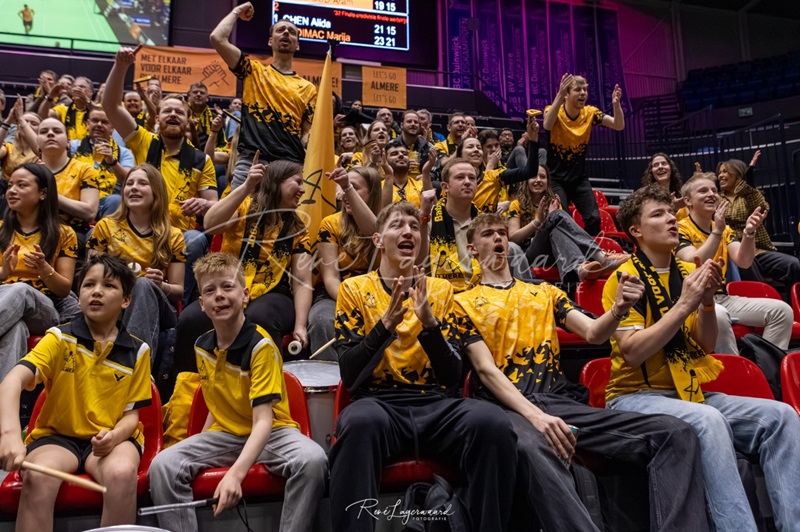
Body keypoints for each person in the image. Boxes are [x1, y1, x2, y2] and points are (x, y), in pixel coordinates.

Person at [454, 213, 709, 531]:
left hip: (558, 402)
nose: (498, 238)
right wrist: (536, 417)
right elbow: (485, 369)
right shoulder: (462, 303)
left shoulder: (545, 293)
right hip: (507, 408)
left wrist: (618, 309)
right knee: (533, 447)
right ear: (472, 248)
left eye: (502, 233)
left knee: (676, 433)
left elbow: (593, 333)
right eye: (488, 234)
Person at [604, 184, 800, 531]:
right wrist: (685, 304)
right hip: (634, 396)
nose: (671, 219)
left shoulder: (685, 272)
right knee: (709, 419)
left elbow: (706, 346)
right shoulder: (623, 279)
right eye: (658, 214)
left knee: (781, 416)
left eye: (671, 212)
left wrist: (708, 302)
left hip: (689, 393)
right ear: (636, 231)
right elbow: (632, 352)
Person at [329, 201, 517, 532]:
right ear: (378, 240)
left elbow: (452, 376)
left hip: (437, 404)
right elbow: (350, 374)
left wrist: (430, 327)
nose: (408, 232)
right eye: (397, 225)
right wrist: (385, 326)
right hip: (379, 404)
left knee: (492, 422)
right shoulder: (353, 289)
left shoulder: (441, 290)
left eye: (414, 227)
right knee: (358, 423)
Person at [148, 252, 326, 531]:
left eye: (227, 286)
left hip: (271, 433)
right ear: (202, 304)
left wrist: (235, 475)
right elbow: (216, 403)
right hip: (226, 434)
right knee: (163, 466)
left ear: (245, 295)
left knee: (313, 460)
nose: (219, 295)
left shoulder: (261, 347)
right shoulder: (201, 346)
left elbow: (263, 421)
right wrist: (198, 449)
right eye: (210, 290)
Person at [0, 254, 151, 530]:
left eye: (109, 286)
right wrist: (9, 435)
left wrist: (114, 436)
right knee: (38, 477)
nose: (96, 291)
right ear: (78, 296)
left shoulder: (139, 351)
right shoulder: (58, 338)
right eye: (89, 285)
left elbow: (132, 415)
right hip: (57, 438)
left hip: (111, 440)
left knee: (121, 474)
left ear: (126, 300)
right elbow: (11, 382)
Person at [172, 157, 313, 378]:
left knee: (260, 317)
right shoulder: (244, 207)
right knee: (191, 319)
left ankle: (265, 387)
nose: (303, 190)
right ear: (277, 181)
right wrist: (247, 185)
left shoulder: (298, 228)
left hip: (272, 292)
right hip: (228, 285)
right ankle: (187, 390)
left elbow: (302, 280)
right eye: (297, 182)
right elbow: (210, 224)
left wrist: (301, 326)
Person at [103, 45, 218, 306]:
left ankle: (182, 308)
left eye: (179, 112)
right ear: (157, 117)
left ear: (189, 120)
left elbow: (214, 206)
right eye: (167, 111)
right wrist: (121, 66)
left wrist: (204, 204)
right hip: (139, 228)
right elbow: (110, 106)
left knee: (196, 239)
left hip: (178, 235)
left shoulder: (202, 160)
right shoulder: (144, 141)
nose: (173, 115)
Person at [675, 172, 792, 354]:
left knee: (782, 311)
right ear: (688, 201)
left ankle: (768, 366)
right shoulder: (679, 228)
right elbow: (694, 259)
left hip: (722, 297)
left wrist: (749, 233)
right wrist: (717, 231)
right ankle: (734, 369)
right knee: (718, 314)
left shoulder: (724, 228)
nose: (711, 194)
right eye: (703, 191)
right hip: (691, 301)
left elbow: (744, 261)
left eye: (714, 190)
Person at [210, 4, 317, 188]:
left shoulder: (308, 88)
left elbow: (307, 132)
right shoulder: (253, 71)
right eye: (280, 30)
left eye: (292, 32)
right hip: (251, 163)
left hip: (288, 167)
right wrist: (237, 11)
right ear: (270, 41)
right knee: (240, 208)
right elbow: (217, 38)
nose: (286, 33)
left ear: (297, 44)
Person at [88, 163, 185, 353]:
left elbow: (178, 291)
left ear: (156, 191)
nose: (133, 188)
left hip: (158, 306)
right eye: (129, 183)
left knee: (143, 285)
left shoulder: (173, 236)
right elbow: (91, 278)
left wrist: (161, 285)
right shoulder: (105, 227)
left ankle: (132, 361)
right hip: (114, 300)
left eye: (142, 183)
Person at [0, 163, 81, 379]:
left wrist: (45, 269)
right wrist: (3, 272)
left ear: (43, 193)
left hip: (43, 308)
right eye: (10, 185)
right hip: (5, 304)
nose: (12, 191)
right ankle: (6, 398)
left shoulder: (64, 233)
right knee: (16, 330)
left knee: (20, 289)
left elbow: (64, 289)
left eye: (21, 185)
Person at [508, 163, 629, 283]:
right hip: (530, 255)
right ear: (526, 181)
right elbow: (513, 238)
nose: (538, 180)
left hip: (554, 254)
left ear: (548, 182)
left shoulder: (553, 204)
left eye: (543, 177)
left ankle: (580, 267)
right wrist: (538, 221)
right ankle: (600, 256)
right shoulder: (516, 205)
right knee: (556, 215)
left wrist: (550, 217)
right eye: (533, 176)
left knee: (556, 231)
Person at [308, 166, 381, 358]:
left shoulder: (387, 223)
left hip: (379, 295)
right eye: (343, 188)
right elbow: (330, 277)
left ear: (372, 193)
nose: (344, 194)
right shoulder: (330, 224)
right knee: (321, 320)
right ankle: (331, 376)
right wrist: (353, 303)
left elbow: (375, 231)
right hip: (336, 295)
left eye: (353, 187)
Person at [543, 74, 625, 236]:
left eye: (585, 90)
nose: (583, 93)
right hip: (556, 179)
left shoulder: (590, 113)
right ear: (566, 94)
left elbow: (618, 125)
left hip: (578, 179)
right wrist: (559, 95)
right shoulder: (553, 110)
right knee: (563, 219)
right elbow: (547, 124)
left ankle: (586, 248)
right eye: (578, 90)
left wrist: (616, 105)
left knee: (594, 218)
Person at [718, 158, 800, 296]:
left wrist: (748, 178)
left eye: (725, 171)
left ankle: (794, 304)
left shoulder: (750, 195)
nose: (720, 175)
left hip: (758, 250)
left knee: (794, 265)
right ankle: (766, 302)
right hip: (734, 252)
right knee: (746, 265)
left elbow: (761, 209)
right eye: (719, 172)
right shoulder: (717, 199)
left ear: (737, 173)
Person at [455, 115, 540, 213]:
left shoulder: (496, 173)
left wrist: (533, 139)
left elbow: (530, 171)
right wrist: (490, 165)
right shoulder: (455, 174)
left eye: (478, 147)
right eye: (489, 146)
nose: (494, 149)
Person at [37, 118, 100, 247]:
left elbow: (89, 212)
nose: (50, 134)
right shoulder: (28, 171)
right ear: (37, 143)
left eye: (57, 131)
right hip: (33, 231)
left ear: (68, 142)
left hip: (74, 234)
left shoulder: (85, 170)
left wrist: (49, 193)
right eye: (43, 131)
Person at [69, 106, 134, 220]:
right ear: (87, 124)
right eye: (95, 121)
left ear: (112, 127)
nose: (99, 124)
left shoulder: (124, 153)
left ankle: (103, 230)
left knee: (116, 200)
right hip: (76, 199)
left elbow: (128, 181)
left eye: (104, 122)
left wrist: (112, 162)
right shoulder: (73, 146)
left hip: (105, 202)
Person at [381, 141, 434, 209]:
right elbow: (382, 212)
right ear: (385, 160)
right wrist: (389, 175)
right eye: (394, 154)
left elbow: (434, 210)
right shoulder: (379, 187)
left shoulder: (421, 185)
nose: (401, 155)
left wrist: (426, 173)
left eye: (405, 153)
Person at [40, 76, 94, 141]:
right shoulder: (63, 109)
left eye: (82, 87)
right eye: (75, 86)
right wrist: (50, 97)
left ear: (91, 92)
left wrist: (87, 101)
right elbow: (42, 116)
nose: (77, 89)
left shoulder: (97, 108)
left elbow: (100, 113)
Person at [1, 98, 40, 180]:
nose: (27, 125)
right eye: (25, 121)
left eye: (34, 123)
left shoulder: (44, 152)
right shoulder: (8, 148)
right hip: (6, 187)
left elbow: (40, 150)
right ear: (17, 126)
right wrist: (8, 121)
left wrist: (21, 120)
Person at [641, 153, 686, 217]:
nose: (660, 167)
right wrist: (673, 209)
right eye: (655, 165)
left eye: (664, 163)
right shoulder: (645, 196)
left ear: (671, 168)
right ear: (651, 172)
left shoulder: (681, 193)